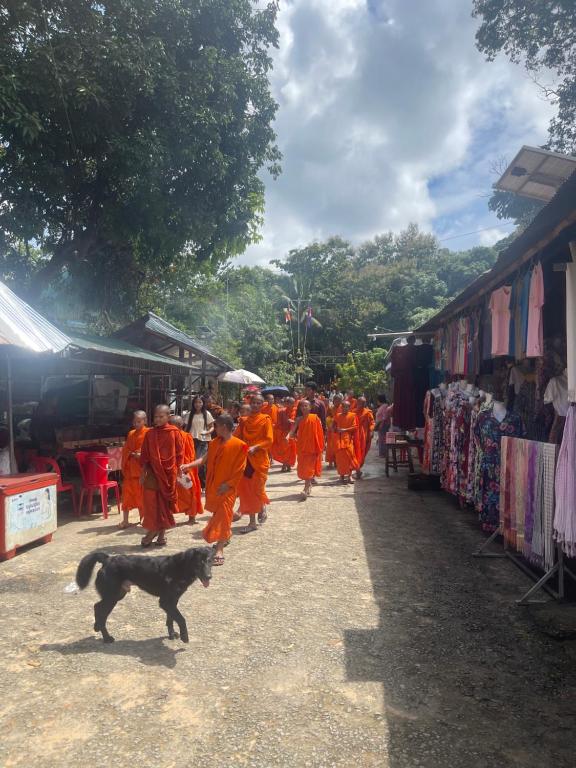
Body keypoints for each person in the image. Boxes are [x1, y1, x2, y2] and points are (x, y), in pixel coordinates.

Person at [181, 415, 247, 566]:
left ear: (223, 427)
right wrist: (189, 465)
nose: (214, 429)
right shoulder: (214, 443)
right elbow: (205, 459)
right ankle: (225, 535)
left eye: (215, 426)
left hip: (228, 488)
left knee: (223, 516)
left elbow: (240, 469)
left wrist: (229, 484)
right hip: (213, 486)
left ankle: (219, 549)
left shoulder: (240, 445)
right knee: (219, 516)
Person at [139, 405, 184, 547]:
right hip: (153, 473)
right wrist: (143, 472)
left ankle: (161, 534)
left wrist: (179, 470)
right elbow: (145, 455)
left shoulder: (174, 432)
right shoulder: (150, 434)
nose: (157, 419)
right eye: (156, 417)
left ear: (168, 417)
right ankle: (153, 530)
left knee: (164, 504)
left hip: (169, 474)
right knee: (152, 504)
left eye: (161, 417)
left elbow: (179, 453)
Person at [234, 394, 274, 533]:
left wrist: (255, 447)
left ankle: (262, 506)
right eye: (253, 403)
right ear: (250, 404)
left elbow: (269, 440)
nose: (256, 405)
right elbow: (236, 437)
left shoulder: (265, 420)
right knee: (248, 491)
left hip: (260, 459)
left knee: (257, 489)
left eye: (258, 403)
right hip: (246, 459)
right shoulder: (244, 421)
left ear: (263, 405)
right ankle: (252, 522)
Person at [170, 415, 203, 524]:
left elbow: (191, 454)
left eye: (172, 426)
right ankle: (170, 517)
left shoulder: (186, 436)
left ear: (180, 426)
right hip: (172, 469)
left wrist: (187, 466)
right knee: (173, 493)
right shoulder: (168, 437)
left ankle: (192, 516)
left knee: (190, 491)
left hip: (185, 468)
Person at [119, 410, 149, 529]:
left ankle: (143, 518)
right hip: (130, 470)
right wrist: (130, 454)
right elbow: (126, 449)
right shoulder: (131, 433)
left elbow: (150, 450)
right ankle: (125, 520)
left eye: (139, 421)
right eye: (134, 421)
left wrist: (141, 455)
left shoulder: (148, 433)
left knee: (142, 496)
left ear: (145, 421)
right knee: (126, 496)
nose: (136, 424)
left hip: (142, 471)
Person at [290, 399, 325, 500]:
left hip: (312, 446)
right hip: (302, 446)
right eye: (302, 406)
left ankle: (306, 487)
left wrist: (321, 444)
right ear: (300, 408)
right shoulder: (298, 419)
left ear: (310, 407)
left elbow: (320, 432)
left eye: (306, 406)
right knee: (302, 467)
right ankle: (308, 485)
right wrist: (288, 437)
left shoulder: (315, 418)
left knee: (308, 468)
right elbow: (292, 431)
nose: (304, 408)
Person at [187, 395, 214, 489]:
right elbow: (186, 428)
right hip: (192, 440)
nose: (197, 404)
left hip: (203, 440)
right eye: (196, 402)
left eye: (200, 402)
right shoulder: (189, 414)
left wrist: (207, 432)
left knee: (200, 462)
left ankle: (202, 485)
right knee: (192, 461)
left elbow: (212, 427)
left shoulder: (207, 414)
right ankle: (194, 483)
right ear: (193, 404)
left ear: (203, 403)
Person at [334, 400, 359, 484]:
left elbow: (355, 427)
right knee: (340, 458)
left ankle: (349, 476)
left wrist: (345, 429)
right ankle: (341, 476)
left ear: (349, 407)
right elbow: (334, 425)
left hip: (348, 439)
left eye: (347, 407)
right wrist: (334, 429)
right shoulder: (337, 415)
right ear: (341, 407)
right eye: (343, 406)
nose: (345, 408)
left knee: (349, 457)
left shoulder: (352, 416)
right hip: (339, 439)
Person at [355, 396, 375, 477]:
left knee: (362, 454)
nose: (362, 404)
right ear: (357, 403)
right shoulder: (353, 412)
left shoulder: (368, 412)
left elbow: (372, 423)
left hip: (365, 436)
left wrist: (371, 431)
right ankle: (357, 469)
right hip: (355, 436)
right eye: (360, 403)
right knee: (356, 453)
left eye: (364, 403)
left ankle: (358, 468)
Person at [325, 394, 343, 469]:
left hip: (339, 430)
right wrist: (329, 423)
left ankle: (337, 461)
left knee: (338, 446)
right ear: (333, 400)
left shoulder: (343, 408)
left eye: (339, 400)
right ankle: (330, 463)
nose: (337, 402)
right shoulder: (330, 408)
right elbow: (327, 417)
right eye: (336, 400)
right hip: (331, 430)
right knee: (330, 447)